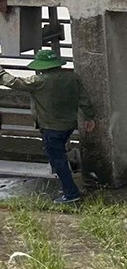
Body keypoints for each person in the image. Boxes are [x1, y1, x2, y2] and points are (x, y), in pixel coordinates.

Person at [0, 49, 97, 203]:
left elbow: (13, 82)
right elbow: (84, 99)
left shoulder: (39, 81)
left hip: (51, 127)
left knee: (57, 160)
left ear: (41, 66)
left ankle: (71, 193)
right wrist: (89, 117)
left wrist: (0, 72)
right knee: (60, 155)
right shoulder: (72, 77)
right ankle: (69, 180)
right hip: (69, 124)